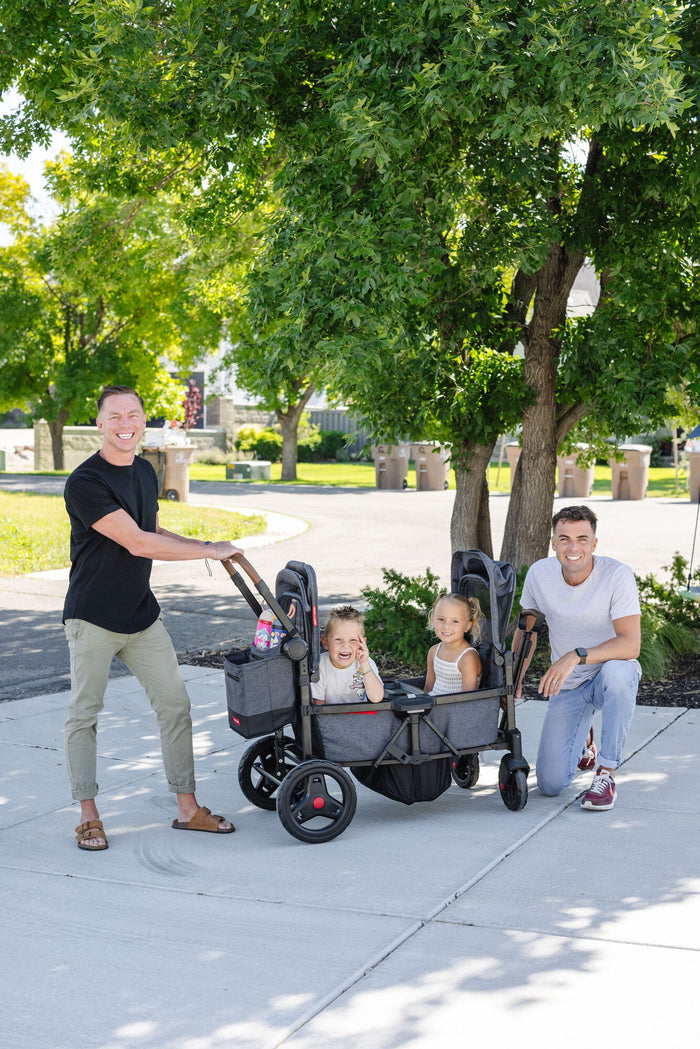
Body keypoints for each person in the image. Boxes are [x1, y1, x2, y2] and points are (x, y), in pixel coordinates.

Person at [63, 385, 242, 851]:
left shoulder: (144, 470)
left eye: (134, 414)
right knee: (85, 715)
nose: (126, 423)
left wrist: (209, 549)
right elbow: (137, 543)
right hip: (93, 617)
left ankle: (187, 809)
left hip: (140, 615)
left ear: (144, 420)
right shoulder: (85, 482)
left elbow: (153, 530)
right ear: (99, 424)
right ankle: (88, 815)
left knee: (175, 706)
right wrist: (206, 550)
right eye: (115, 416)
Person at [513, 504, 641, 811]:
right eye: (565, 538)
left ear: (594, 544)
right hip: (571, 686)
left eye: (582, 538)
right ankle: (584, 739)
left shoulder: (617, 575)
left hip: (608, 675)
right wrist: (513, 681)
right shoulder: (540, 574)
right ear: (554, 542)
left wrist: (577, 655)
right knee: (551, 784)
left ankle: (606, 772)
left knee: (620, 672)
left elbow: (630, 645)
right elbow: (526, 632)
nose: (573, 547)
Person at [311, 605, 384, 704]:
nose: (345, 646)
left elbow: (376, 698)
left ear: (362, 643)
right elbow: (318, 707)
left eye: (353, 640)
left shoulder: (367, 664)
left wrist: (365, 664)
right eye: (338, 639)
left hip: (362, 717)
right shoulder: (319, 666)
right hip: (330, 718)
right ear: (325, 642)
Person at [424, 593, 483, 695]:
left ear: (467, 626)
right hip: (431, 707)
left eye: (455, 621)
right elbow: (427, 689)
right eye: (441, 619)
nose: (446, 626)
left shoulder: (468, 658)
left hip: (454, 709)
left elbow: (468, 701)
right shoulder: (433, 651)